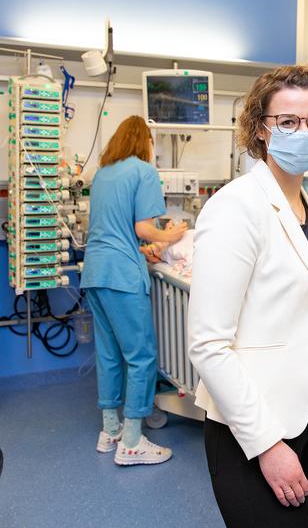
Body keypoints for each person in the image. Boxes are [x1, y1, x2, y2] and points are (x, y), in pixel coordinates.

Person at [188, 65, 308, 527]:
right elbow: (207, 344)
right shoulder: (236, 207)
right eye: (288, 122)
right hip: (255, 426)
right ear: (261, 130)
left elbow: (291, 288)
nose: (303, 132)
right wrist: (265, 443)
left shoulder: (301, 204)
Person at [82, 115, 186, 465]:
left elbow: (115, 229)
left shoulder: (103, 174)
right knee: (141, 357)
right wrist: (170, 236)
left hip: (95, 273)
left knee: (110, 354)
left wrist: (141, 247)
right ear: (145, 142)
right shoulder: (143, 171)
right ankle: (131, 441)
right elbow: (143, 227)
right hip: (122, 277)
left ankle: (110, 430)